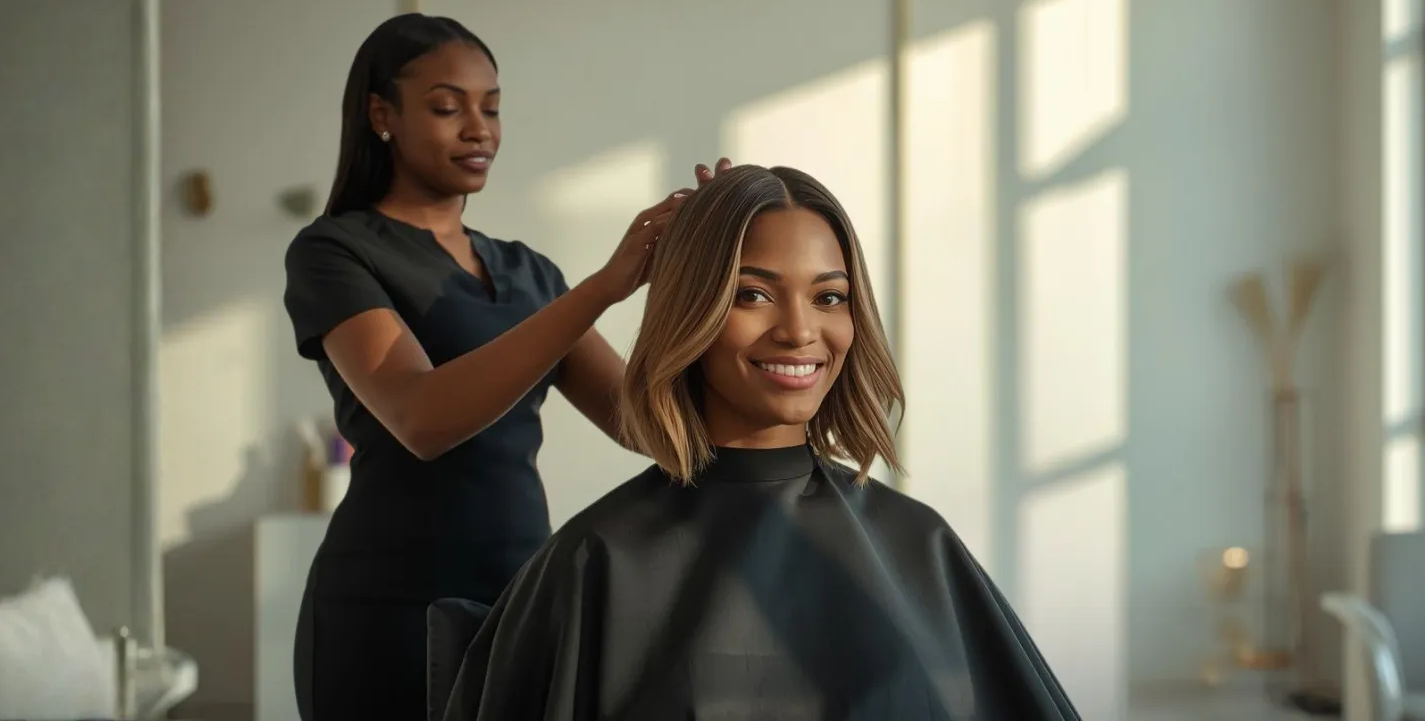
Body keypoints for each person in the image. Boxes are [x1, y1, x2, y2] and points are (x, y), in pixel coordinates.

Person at [439, 165, 1080, 720]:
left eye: (829, 296)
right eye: (753, 294)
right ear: (694, 308)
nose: (800, 330)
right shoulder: (595, 560)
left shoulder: (921, 547)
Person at [281, 12, 728, 720]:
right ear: (380, 114)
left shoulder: (528, 274)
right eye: (446, 107)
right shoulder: (334, 253)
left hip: (522, 599)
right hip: (383, 612)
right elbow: (420, 417)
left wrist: (712, 273)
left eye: (490, 108)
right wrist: (602, 288)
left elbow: (643, 424)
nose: (478, 129)